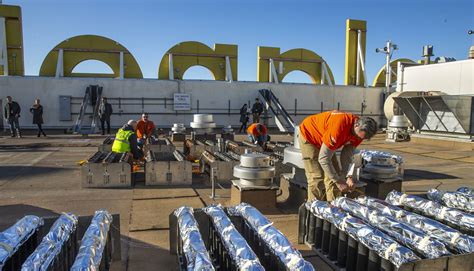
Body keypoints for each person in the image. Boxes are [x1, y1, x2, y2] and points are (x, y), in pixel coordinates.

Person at [298, 110, 377, 201]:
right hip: (309, 136)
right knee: (316, 177)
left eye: (361, 138)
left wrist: (348, 176)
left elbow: (347, 155)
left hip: (326, 139)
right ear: (356, 124)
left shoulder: (360, 134)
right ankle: (313, 208)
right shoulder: (339, 127)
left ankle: (333, 208)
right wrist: (338, 182)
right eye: (359, 137)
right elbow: (323, 159)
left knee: (336, 174)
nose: (358, 139)